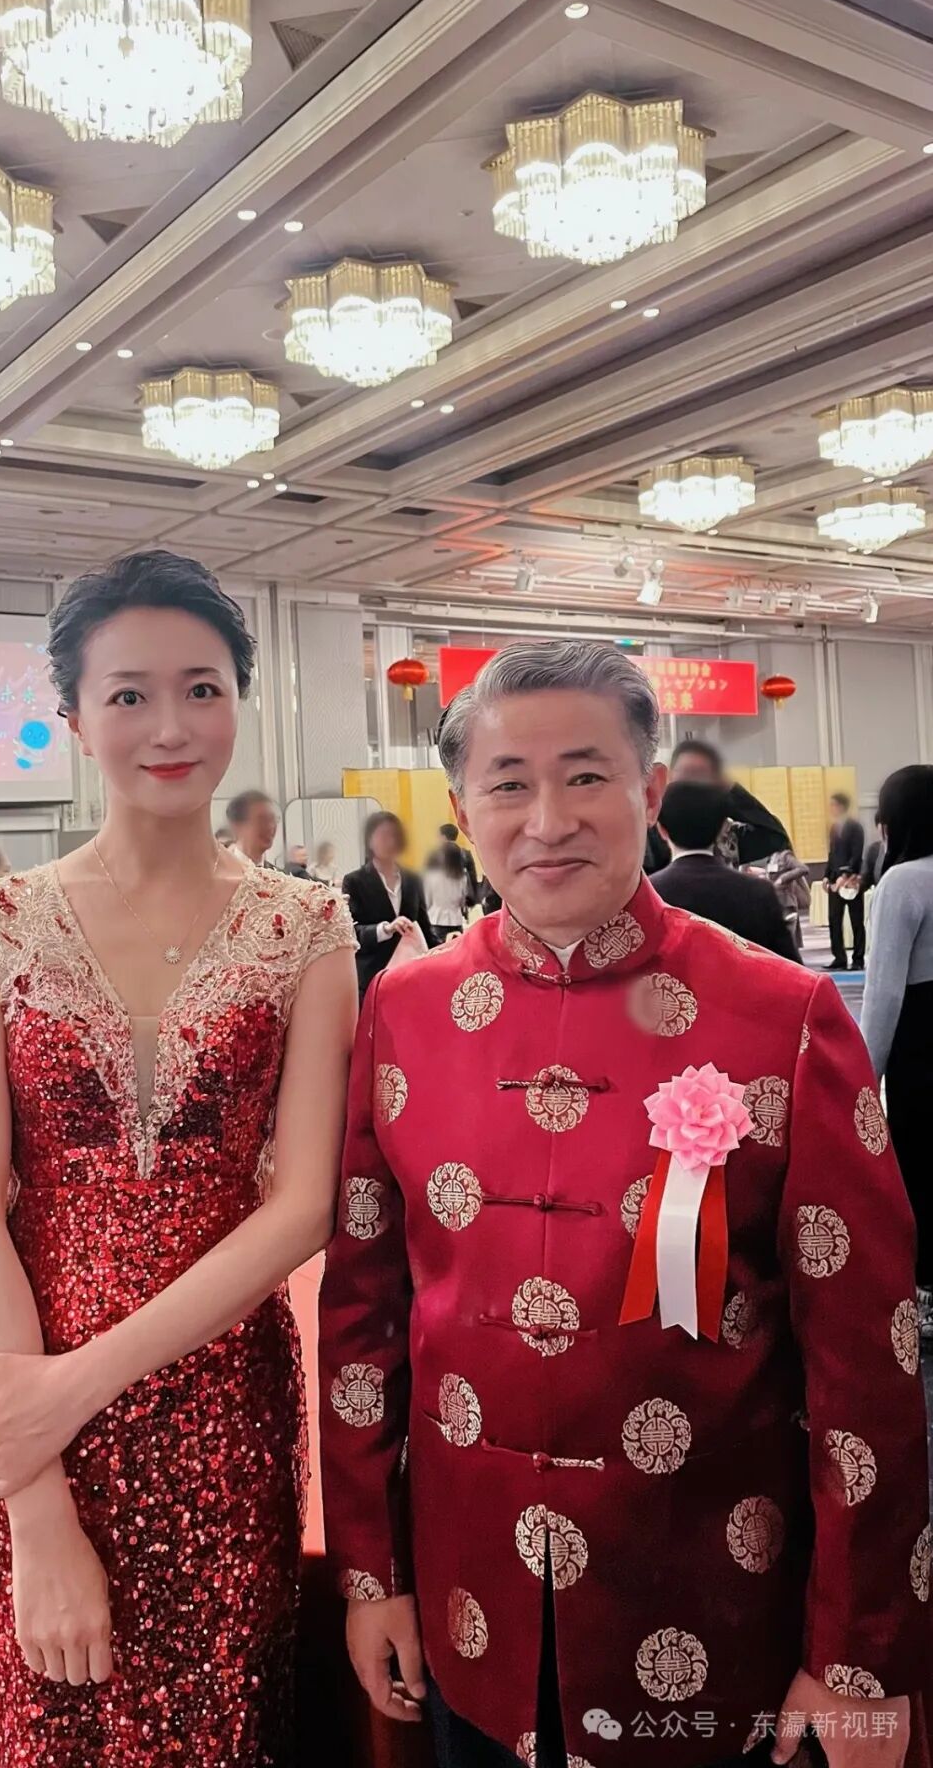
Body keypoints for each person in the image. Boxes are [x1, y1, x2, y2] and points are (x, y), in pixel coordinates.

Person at [320, 638, 927, 1768]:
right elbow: (364, 1315)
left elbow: (869, 1363)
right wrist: (370, 1574)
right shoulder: (404, 1013)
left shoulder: (781, 1017)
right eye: (509, 784)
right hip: (471, 1609)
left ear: (648, 792)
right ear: (461, 810)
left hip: (713, 1607)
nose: (548, 820)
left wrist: (859, 1658)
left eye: (587, 776)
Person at [0, 548, 357, 1768]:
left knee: (216, 1729)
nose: (170, 727)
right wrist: (35, 1494)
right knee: (34, 1731)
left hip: (219, 1410)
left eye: (202, 689)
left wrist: (82, 1384)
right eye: (129, 695)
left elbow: (302, 1206)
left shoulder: (307, 927)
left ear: (240, 702)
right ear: (73, 718)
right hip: (14, 1402)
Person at [861, 764, 933, 1339]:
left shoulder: (904, 882)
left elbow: (884, 992)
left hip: (923, 1044)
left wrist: (862, 1082)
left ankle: (926, 1293)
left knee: (922, 1165)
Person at [651, 782, 800, 960]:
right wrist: (729, 791)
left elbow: (773, 835)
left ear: (662, 830)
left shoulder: (651, 893)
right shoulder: (758, 893)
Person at [342, 812, 435, 997]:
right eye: (382, 835)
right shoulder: (355, 881)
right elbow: (352, 933)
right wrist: (386, 929)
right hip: (373, 978)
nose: (389, 841)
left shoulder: (412, 879)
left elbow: (423, 927)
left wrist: (450, 947)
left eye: (394, 835)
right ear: (369, 841)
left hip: (410, 975)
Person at [668, 739, 791, 867]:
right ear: (670, 778)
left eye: (701, 774)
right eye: (686, 773)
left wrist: (732, 792)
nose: (693, 783)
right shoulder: (658, 834)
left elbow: (775, 838)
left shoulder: (726, 837)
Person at [826, 792, 866, 971]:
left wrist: (845, 875)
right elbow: (832, 855)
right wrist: (827, 876)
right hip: (835, 881)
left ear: (841, 806)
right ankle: (839, 958)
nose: (831, 808)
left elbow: (856, 855)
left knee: (856, 921)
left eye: (833, 805)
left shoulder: (855, 827)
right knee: (834, 920)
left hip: (851, 881)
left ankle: (858, 959)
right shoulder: (834, 828)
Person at [763, 846, 811, 955]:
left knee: (789, 939)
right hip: (774, 903)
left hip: (787, 903)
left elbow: (803, 869)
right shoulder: (770, 857)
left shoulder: (785, 856)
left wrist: (783, 879)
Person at [423, 841, 471, 944]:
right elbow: (462, 902)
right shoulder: (462, 876)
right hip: (456, 921)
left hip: (437, 920)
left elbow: (427, 902)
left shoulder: (431, 875)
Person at [226, 788, 280, 868]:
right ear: (237, 825)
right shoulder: (220, 872)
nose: (270, 826)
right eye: (263, 820)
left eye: (273, 819)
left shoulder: (278, 874)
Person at [437, 821, 481, 907]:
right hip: (462, 898)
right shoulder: (465, 853)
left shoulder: (437, 855)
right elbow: (472, 876)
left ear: (443, 837)